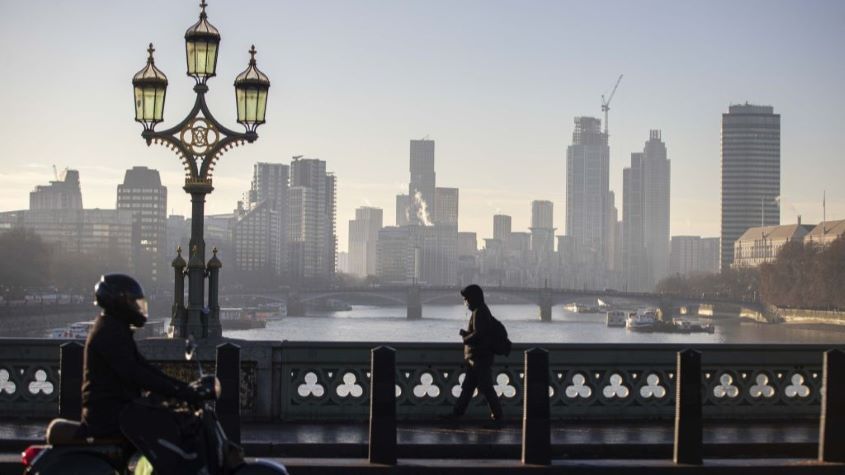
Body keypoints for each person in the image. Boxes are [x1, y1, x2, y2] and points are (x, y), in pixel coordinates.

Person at [75, 273, 200, 439]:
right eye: (134, 303)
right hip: (108, 417)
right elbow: (135, 373)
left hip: (117, 411)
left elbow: (144, 367)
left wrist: (182, 387)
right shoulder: (108, 333)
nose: (137, 308)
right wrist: (179, 391)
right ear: (120, 303)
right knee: (171, 431)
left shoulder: (114, 328)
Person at [449, 284, 504, 424]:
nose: (465, 302)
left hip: (480, 359)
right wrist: (468, 334)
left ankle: (498, 417)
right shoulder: (480, 311)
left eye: (466, 299)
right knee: (468, 388)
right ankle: (456, 414)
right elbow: (480, 333)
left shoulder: (480, 312)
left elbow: (480, 334)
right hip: (475, 359)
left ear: (473, 299)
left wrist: (465, 337)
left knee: (486, 388)